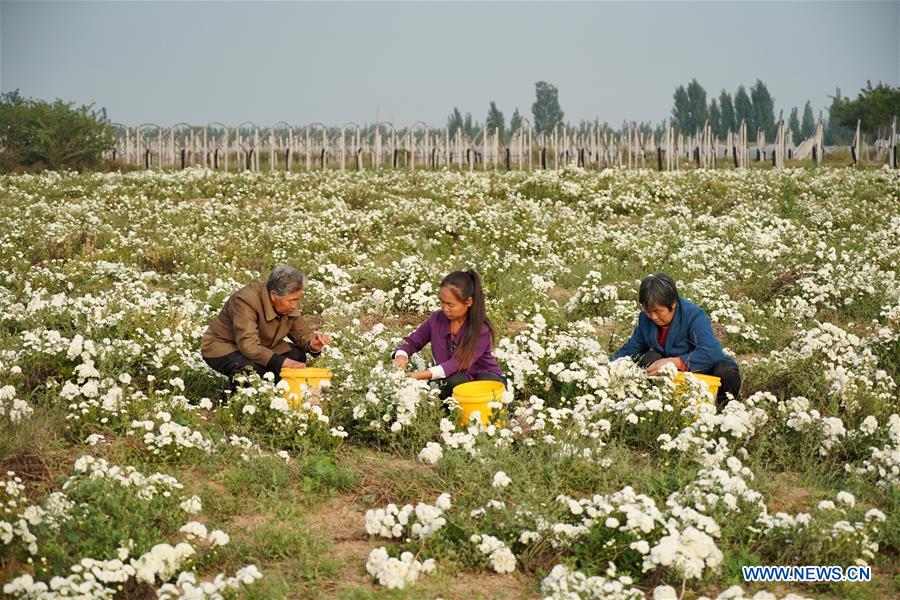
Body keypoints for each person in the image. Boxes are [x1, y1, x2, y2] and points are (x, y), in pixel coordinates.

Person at [611, 272, 740, 406]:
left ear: (673, 304)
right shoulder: (645, 319)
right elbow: (633, 348)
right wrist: (611, 365)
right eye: (648, 311)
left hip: (703, 371)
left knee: (726, 371)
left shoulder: (693, 315)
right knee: (649, 359)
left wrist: (675, 362)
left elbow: (712, 352)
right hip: (674, 376)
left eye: (657, 311)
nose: (653, 317)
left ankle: (724, 407)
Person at [201, 265, 330, 381]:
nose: (295, 305)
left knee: (298, 356)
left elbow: (301, 332)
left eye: (298, 299)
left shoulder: (285, 301)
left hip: (263, 345)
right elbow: (248, 346)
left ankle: (279, 391)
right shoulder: (245, 300)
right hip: (225, 346)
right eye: (292, 300)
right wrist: (282, 362)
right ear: (274, 296)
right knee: (251, 370)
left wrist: (312, 344)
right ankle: (239, 400)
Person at [393, 270, 506, 399]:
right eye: (442, 302)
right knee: (455, 382)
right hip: (457, 379)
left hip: (487, 378)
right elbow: (413, 341)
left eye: (450, 304)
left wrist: (421, 375)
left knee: (486, 382)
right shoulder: (436, 320)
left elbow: (457, 363)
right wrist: (401, 356)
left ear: (468, 302)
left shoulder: (480, 329)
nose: (445, 308)